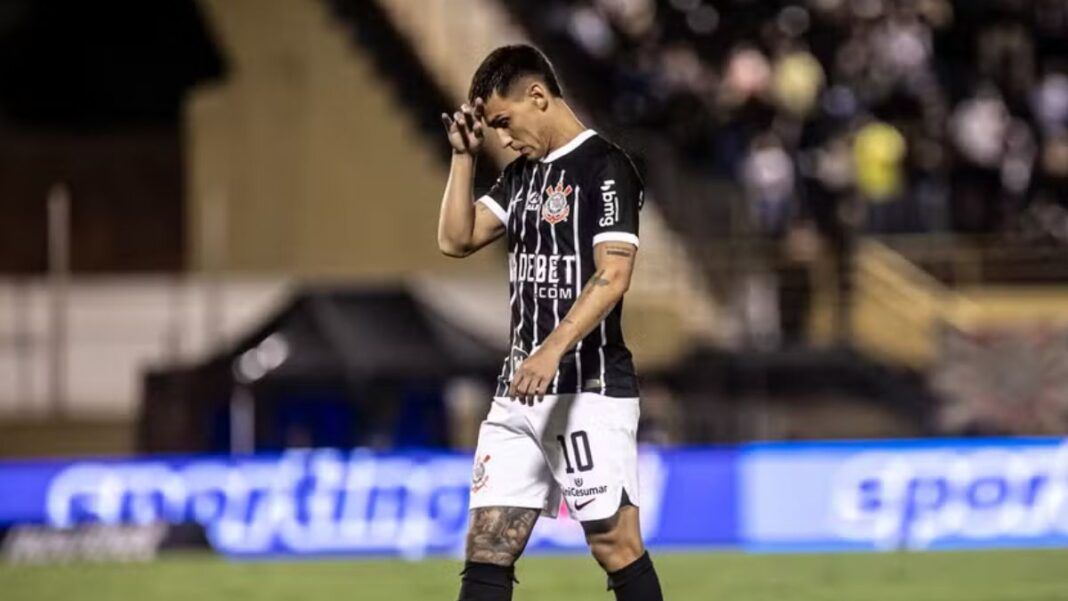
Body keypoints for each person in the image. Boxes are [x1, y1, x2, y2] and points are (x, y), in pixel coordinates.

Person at [437, 44, 664, 601]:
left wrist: (551, 348)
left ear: (537, 95)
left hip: (588, 388)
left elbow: (612, 277)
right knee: (488, 543)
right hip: (518, 392)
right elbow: (455, 239)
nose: (503, 138)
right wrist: (464, 158)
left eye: (503, 123)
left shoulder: (606, 169)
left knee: (614, 543)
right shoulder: (520, 177)